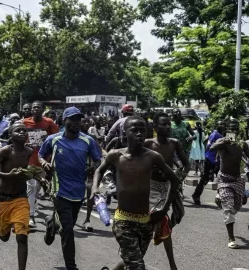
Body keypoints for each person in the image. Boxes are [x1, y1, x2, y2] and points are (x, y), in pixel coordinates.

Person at [92, 115, 180, 270]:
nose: (139, 134)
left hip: (146, 221)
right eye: (134, 130)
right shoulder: (116, 155)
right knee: (137, 265)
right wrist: (95, 187)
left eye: (142, 130)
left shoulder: (153, 157)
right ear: (125, 132)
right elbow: (99, 170)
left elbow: (174, 180)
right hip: (123, 220)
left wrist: (164, 210)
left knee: (131, 259)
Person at [39, 107, 102, 270]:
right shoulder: (53, 139)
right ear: (64, 121)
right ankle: (71, 265)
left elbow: (98, 159)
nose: (76, 123)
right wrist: (45, 163)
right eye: (72, 119)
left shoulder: (88, 141)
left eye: (78, 120)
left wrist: (94, 167)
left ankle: (51, 223)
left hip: (78, 191)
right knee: (67, 230)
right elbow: (40, 155)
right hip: (59, 190)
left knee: (68, 226)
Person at [143, 112, 189, 270]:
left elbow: (186, 164)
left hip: (169, 185)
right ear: (155, 127)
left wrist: (178, 177)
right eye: (164, 124)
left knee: (176, 215)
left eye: (169, 124)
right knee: (161, 218)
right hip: (153, 186)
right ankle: (172, 265)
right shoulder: (148, 143)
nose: (168, 127)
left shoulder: (175, 143)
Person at [0, 122, 32, 270]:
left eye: (24, 130)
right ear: (10, 135)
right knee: (4, 237)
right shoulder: (5, 151)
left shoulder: (29, 152)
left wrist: (40, 177)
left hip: (21, 198)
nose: (22, 133)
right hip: (4, 199)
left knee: (22, 237)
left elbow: (35, 170)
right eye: (18, 131)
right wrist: (7, 175)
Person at [211, 119, 248, 249]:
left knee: (236, 207)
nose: (233, 131)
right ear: (227, 129)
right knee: (228, 209)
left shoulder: (242, 143)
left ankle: (220, 197)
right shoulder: (222, 142)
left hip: (237, 180)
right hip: (224, 180)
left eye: (236, 128)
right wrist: (224, 141)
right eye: (231, 129)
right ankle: (231, 238)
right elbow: (211, 148)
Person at [23, 101, 58, 228]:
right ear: (31, 110)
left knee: (38, 188)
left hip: (44, 161)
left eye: (39, 107)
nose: (36, 109)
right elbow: (19, 137)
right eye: (34, 107)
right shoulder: (25, 122)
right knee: (31, 187)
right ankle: (30, 216)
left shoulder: (49, 123)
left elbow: (55, 140)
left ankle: (33, 203)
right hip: (30, 160)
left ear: (42, 110)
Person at [192, 121, 226, 205]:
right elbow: (209, 147)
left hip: (218, 161)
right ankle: (196, 195)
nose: (222, 125)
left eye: (223, 124)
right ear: (217, 125)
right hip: (210, 160)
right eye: (220, 124)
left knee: (223, 179)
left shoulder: (225, 134)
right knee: (205, 179)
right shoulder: (215, 134)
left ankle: (219, 197)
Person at [80, 117, 101, 232]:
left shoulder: (91, 138)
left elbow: (97, 155)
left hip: (88, 169)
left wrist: (94, 167)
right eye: (84, 122)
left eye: (88, 121)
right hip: (73, 171)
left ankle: (87, 219)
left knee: (90, 191)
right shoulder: (69, 136)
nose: (86, 123)